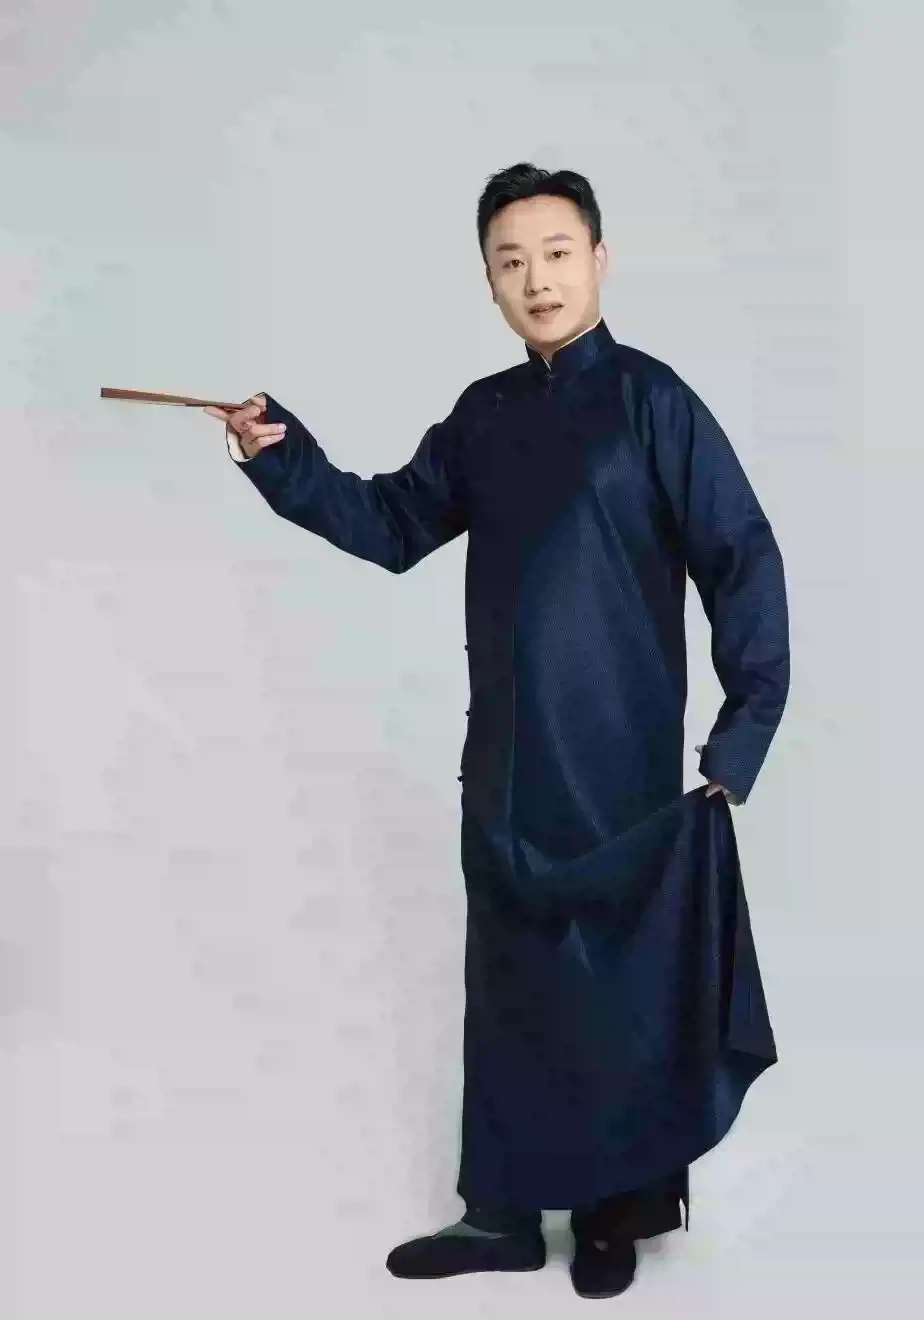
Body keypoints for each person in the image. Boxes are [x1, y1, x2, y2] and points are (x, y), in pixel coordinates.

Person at [206, 163, 790, 1299]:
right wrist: (282, 457)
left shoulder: (654, 402)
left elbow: (743, 556)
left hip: (620, 761)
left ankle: (615, 1212)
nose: (538, 279)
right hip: (506, 764)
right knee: (513, 983)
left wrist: (742, 733)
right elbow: (391, 522)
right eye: (510, 261)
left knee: (618, 988)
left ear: (599, 259)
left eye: (557, 253)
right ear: (487, 280)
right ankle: (504, 1216)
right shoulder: (484, 415)